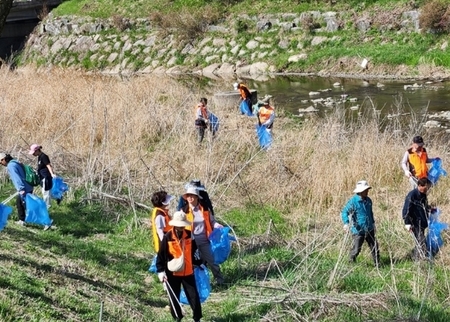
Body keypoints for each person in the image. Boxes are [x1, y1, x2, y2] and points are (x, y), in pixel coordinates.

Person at [156, 211, 203, 322]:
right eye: (179, 225)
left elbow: (195, 251)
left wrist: (199, 263)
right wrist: (160, 271)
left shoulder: (189, 235)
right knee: (173, 297)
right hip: (172, 272)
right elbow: (161, 255)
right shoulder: (168, 237)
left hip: (188, 271)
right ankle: (178, 317)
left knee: (194, 296)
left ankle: (197, 318)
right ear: (174, 225)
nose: (181, 228)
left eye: (182, 225)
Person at [181, 186, 225, 285]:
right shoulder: (183, 211)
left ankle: (220, 280)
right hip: (191, 243)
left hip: (205, 241)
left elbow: (212, 221)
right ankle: (198, 284)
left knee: (212, 261)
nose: (190, 198)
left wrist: (217, 225)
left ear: (197, 197)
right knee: (194, 264)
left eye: (192, 195)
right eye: (188, 196)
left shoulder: (204, 209)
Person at [341, 180, 380, 266]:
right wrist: (346, 223)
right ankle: (351, 261)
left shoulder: (368, 201)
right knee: (356, 249)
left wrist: (373, 224)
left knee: (374, 246)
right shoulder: (353, 202)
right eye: (366, 190)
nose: (367, 191)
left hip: (369, 228)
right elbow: (344, 212)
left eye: (367, 190)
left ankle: (377, 264)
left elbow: (370, 213)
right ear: (360, 191)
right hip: (358, 230)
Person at [402, 177, 432, 261]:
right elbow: (406, 209)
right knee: (421, 241)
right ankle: (420, 260)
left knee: (419, 241)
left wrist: (430, 209)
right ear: (420, 185)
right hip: (415, 222)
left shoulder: (423, 195)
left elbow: (424, 206)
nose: (427, 190)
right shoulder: (412, 195)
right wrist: (407, 222)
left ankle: (417, 258)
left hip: (422, 222)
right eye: (426, 187)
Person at [0, 153, 33, 226]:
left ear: (4, 159)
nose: (1, 164)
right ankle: (22, 220)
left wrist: (21, 189)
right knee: (19, 203)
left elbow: (17, 178)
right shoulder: (15, 162)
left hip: (24, 188)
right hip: (28, 186)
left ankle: (44, 221)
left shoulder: (11, 166)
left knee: (27, 206)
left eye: (1, 162)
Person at [29, 144, 56, 208]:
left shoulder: (44, 156)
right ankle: (56, 198)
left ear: (37, 150)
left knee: (46, 192)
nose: (33, 154)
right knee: (46, 192)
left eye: (34, 152)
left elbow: (48, 165)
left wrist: (52, 174)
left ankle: (47, 207)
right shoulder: (39, 157)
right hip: (42, 177)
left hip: (46, 177)